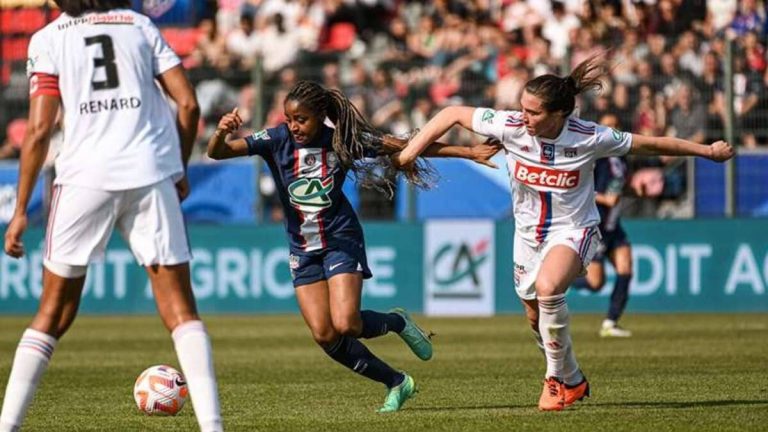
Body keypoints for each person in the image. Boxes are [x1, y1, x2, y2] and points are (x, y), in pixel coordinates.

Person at [393, 54, 734, 411]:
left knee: (548, 289)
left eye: (534, 112)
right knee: (534, 317)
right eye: (523, 108)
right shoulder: (511, 125)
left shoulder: (591, 136)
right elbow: (451, 114)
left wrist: (707, 151)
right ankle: (572, 379)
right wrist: (409, 154)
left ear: (559, 114)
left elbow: (653, 142)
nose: (524, 117)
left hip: (574, 230)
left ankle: (554, 381)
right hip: (526, 236)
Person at [206, 80, 500, 412]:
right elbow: (217, 152)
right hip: (302, 248)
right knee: (324, 334)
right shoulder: (276, 139)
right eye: (289, 119)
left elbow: (409, 144)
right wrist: (221, 132)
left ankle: (397, 322)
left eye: (301, 119)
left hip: (340, 238)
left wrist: (469, 151)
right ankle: (397, 382)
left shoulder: (342, 142)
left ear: (320, 116)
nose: (294, 126)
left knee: (347, 324)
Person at [1, 1, 223, 431]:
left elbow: (39, 131)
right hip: (149, 173)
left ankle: (8, 425)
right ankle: (213, 426)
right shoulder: (139, 25)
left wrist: (19, 211)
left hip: (84, 177)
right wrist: (177, 167)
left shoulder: (48, 39)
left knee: (51, 315)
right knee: (181, 311)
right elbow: (189, 104)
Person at [572, 114, 634, 338]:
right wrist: (605, 199)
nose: (613, 130)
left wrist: (637, 190)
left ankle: (611, 322)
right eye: (609, 126)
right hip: (596, 224)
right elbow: (580, 188)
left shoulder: (623, 158)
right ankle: (568, 279)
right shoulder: (594, 158)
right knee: (596, 283)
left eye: (616, 125)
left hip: (613, 225)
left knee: (626, 268)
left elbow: (619, 187)